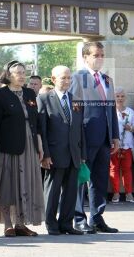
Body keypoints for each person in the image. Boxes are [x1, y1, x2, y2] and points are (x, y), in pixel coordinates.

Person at [0, 60, 44, 237]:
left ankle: (21, 223)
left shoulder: (29, 93)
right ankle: (8, 224)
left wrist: (39, 144)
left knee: (25, 183)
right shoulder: (0, 94)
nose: (21, 75)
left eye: (23, 71)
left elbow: (35, 121)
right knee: (7, 184)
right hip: (7, 145)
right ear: (9, 75)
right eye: (17, 72)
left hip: (29, 143)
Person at [69, 41, 120, 234]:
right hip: (86, 138)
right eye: (95, 55)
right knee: (81, 178)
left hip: (105, 139)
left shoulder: (107, 80)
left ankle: (97, 217)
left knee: (99, 180)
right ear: (85, 57)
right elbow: (75, 111)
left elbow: (111, 109)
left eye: (101, 55)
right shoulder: (77, 78)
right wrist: (77, 138)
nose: (99, 58)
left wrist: (114, 135)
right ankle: (79, 218)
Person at [37, 66, 86, 235]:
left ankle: (66, 223)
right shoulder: (44, 99)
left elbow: (80, 130)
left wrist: (83, 155)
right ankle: (51, 224)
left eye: (69, 78)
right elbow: (42, 130)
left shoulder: (77, 100)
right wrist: (45, 154)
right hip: (54, 155)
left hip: (74, 154)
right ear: (53, 79)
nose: (67, 81)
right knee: (52, 191)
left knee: (71, 192)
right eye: (63, 78)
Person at [110, 87, 134, 203]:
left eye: (122, 96)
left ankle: (129, 194)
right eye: (117, 96)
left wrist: (131, 128)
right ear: (114, 97)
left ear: (125, 98)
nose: (120, 98)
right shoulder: (110, 111)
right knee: (113, 169)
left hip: (127, 145)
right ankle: (116, 194)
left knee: (127, 169)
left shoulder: (130, 112)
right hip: (114, 146)